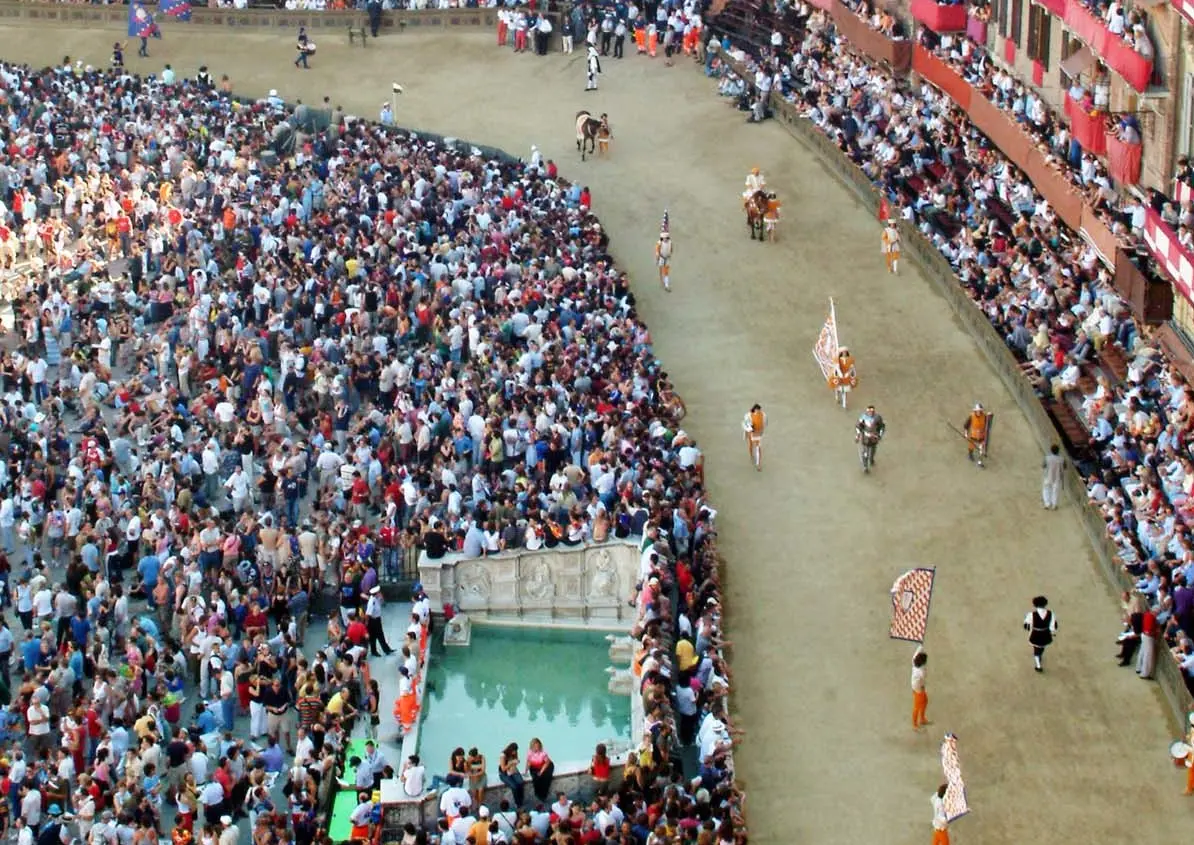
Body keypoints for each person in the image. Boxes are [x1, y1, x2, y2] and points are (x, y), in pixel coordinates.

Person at [1024, 595, 1058, 672]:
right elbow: (1053, 625)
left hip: (1035, 634)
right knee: (1041, 648)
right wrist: (1052, 632)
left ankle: (1038, 665)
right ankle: (1039, 658)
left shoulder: (1031, 614)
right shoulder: (1051, 614)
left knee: (1036, 649)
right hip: (1045, 634)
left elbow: (1026, 625)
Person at [962, 403, 990, 467]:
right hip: (973, 435)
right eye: (977, 410)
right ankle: (970, 454)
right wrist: (966, 433)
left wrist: (989, 416)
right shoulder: (971, 416)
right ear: (975, 411)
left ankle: (980, 462)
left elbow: (988, 425)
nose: (979, 412)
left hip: (981, 436)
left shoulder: (984, 417)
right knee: (971, 446)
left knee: (981, 449)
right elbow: (966, 425)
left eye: (980, 410)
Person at [742, 404, 766, 472]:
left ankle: (758, 464)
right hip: (752, 432)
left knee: (758, 448)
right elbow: (745, 424)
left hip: (758, 433)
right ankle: (751, 456)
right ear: (755, 409)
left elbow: (764, 423)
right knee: (751, 445)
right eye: (757, 410)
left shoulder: (762, 415)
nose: (759, 412)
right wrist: (746, 433)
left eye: (759, 410)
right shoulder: (749, 415)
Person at [1041, 444, 1065, 510]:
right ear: (1058, 451)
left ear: (1051, 451)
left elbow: (1043, 466)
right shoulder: (1061, 459)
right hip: (1057, 477)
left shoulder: (1047, 458)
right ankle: (1054, 505)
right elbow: (1065, 467)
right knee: (1055, 491)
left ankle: (1047, 504)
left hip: (1048, 476)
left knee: (1046, 489)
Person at [911, 646, 929, 730]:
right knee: (917, 705)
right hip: (918, 688)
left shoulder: (914, 659)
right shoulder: (922, 671)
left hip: (915, 686)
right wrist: (922, 688)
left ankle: (922, 718)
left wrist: (921, 645)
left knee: (925, 701)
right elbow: (923, 680)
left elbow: (919, 648)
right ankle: (915, 723)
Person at [654, 222, 673, 293]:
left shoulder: (670, 242)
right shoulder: (659, 243)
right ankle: (661, 280)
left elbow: (671, 249)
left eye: (666, 238)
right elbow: (657, 251)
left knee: (666, 272)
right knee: (660, 269)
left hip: (667, 258)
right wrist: (657, 259)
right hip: (661, 258)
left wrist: (670, 255)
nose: (665, 239)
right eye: (664, 238)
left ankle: (666, 285)